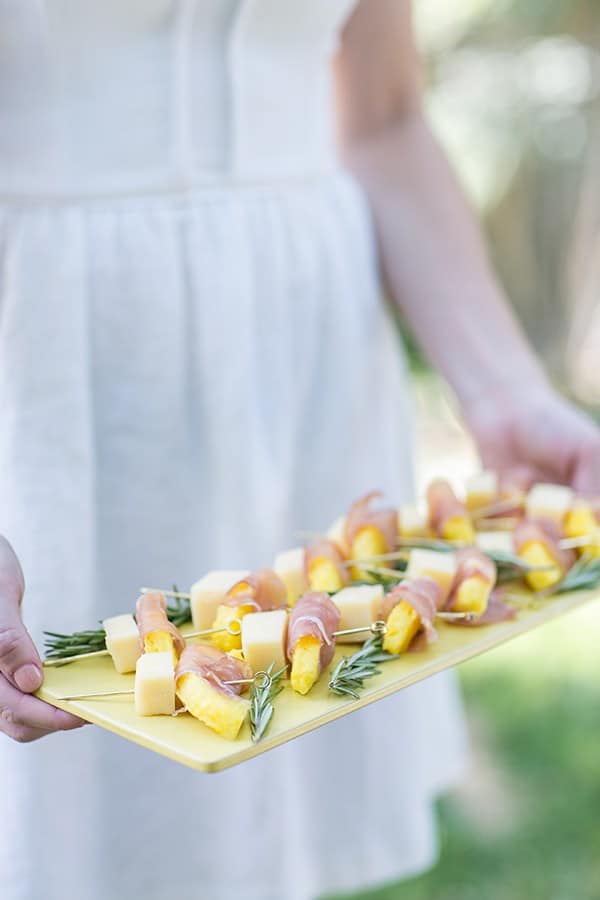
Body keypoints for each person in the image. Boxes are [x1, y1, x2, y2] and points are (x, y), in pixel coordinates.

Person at [1, 3, 599, 900]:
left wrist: (505, 391)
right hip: (51, 354)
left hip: (301, 348)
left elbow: (385, 116)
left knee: (264, 796)